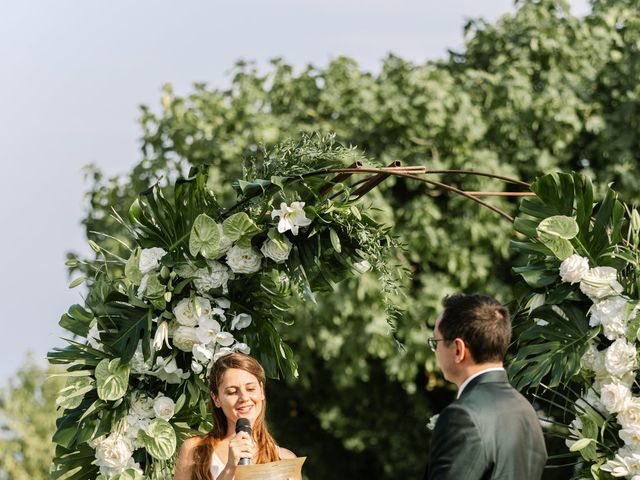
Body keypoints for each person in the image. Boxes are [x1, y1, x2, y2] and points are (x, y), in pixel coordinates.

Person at [425, 293, 547, 480]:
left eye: (436, 342)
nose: (435, 351)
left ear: (459, 349)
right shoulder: (525, 409)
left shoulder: (462, 416)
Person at [174, 352, 297, 480]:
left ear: (261, 391)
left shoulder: (284, 458)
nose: (244, 398)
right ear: (216, 398)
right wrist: (230, 468)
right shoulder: (195, 449)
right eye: (232, 392)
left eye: (250, 389)